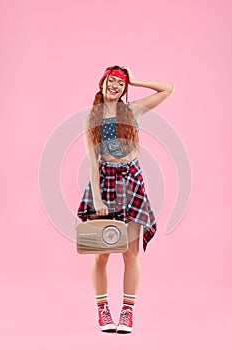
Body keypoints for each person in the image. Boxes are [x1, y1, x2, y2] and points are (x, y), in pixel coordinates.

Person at [77, 65, 175, 333]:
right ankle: (103, 311)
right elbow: (91, 161)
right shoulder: (92, 118)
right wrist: (96, 197)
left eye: (121, 84)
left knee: (131, 252)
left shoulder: (133, 111)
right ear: (102, 83)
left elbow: (168, 88)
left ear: (124, 89)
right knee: (102, 253)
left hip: (132, 181)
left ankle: (127, 312)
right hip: (106, 181)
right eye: (112, 81)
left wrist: (136, 80)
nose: (115, 86)